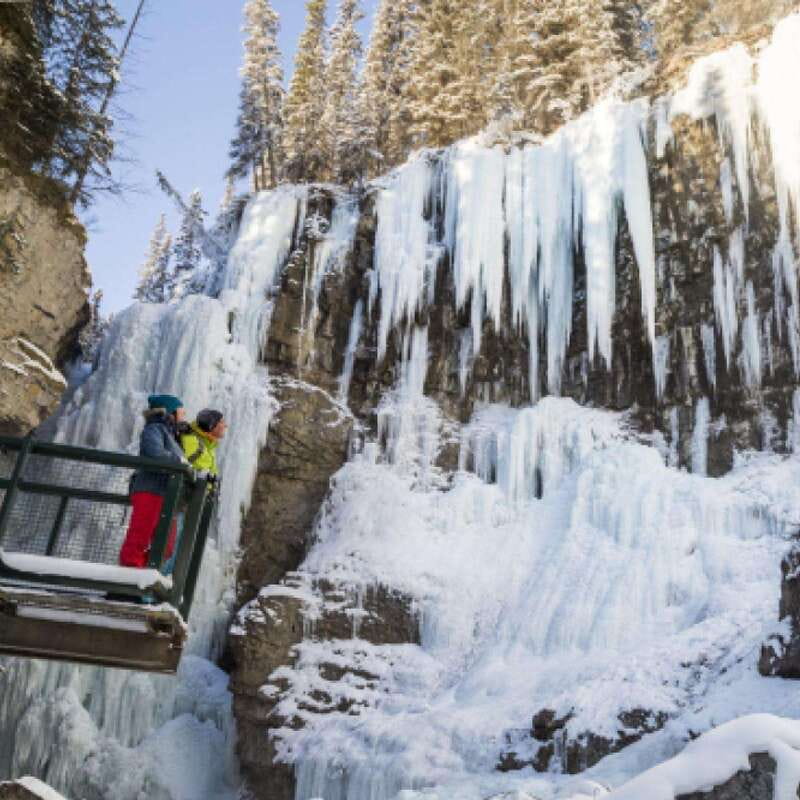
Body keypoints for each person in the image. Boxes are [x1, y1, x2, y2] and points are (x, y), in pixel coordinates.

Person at [119, 394, 188, 569]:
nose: (184, 414)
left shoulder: (173, 436)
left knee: (166, 545)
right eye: (181, 410)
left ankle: (141, 575)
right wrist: (179, 461)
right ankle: (125, 581)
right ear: (170, 412)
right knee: (140, 535)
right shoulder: (155, 429)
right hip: (150, 490)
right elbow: (154, 453)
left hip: (167, 496)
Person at [160, 408, 227, 575]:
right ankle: (155, 583)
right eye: (221, 423)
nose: (226, 425)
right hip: (180, 499)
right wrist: (206, 478)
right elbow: (186, 465)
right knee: (172, 543)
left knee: (180, 544)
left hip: (191, 501)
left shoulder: (207, 444)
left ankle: (163, 581)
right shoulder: (192, 439)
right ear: (211, 425)